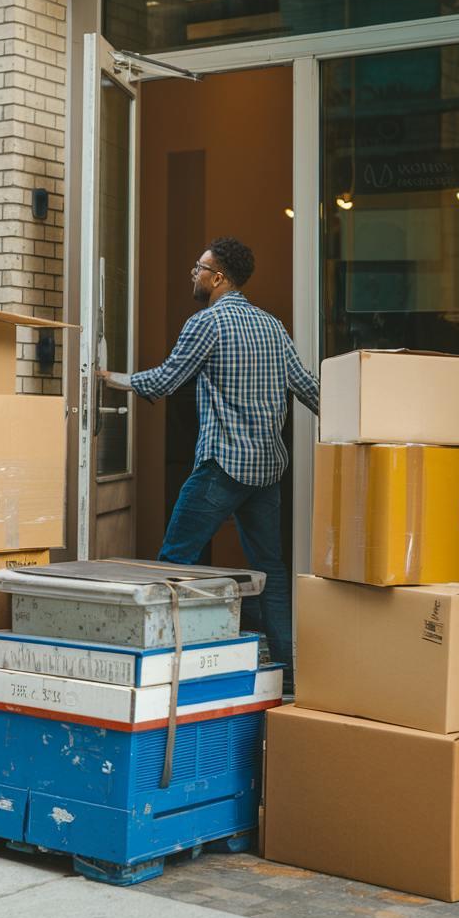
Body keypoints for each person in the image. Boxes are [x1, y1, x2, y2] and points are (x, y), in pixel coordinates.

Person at [100, 236, 319, 688]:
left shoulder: (207, 324)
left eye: (198, 268)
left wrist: (110, 379)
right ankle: (287, 675)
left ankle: (162, 667)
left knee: (173, 563)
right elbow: (307, 387)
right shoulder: (272, 326)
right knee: (270, 570)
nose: (193, 275)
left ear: (218, 277)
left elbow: (164, 381)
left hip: (222, 466)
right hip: (266, 470)